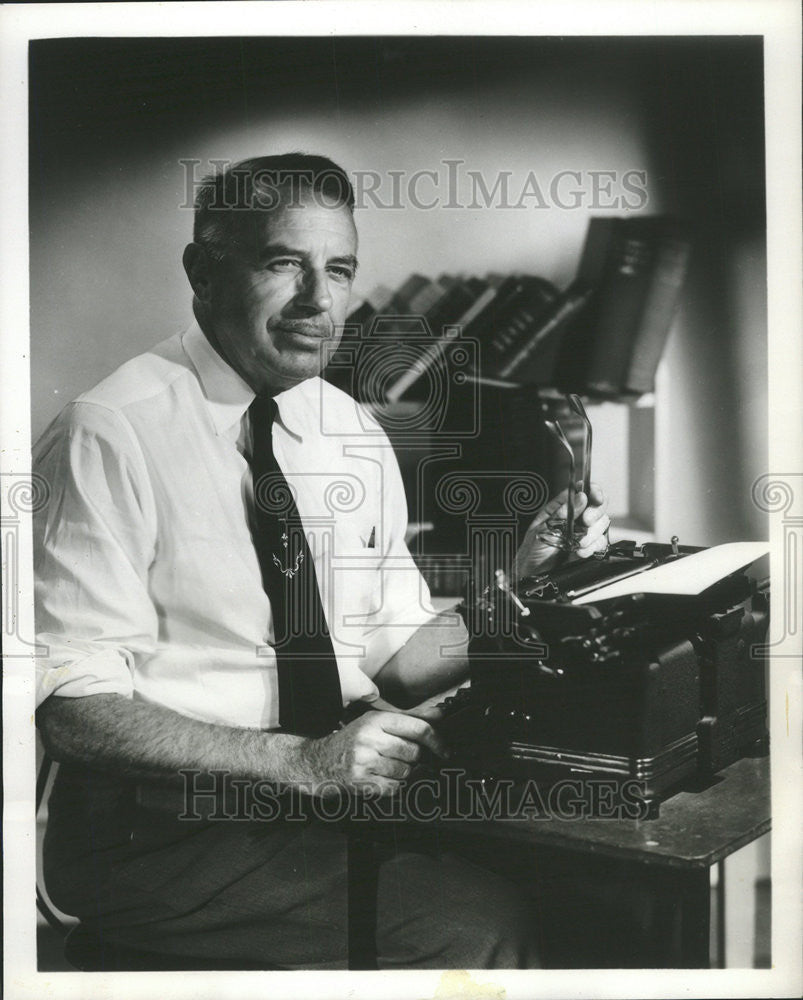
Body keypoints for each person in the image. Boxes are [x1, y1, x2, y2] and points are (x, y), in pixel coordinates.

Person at [34, 153, 610, 970]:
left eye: (338, 270)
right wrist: (298, 763)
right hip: (162, 834)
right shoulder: (108, 432)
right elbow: (72, 710)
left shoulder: (345, 426)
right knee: (474, 927)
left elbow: (399, 660)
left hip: (321, 800)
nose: (318, 301)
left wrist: (520, 584)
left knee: (583, 880)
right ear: (202, 270)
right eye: (283, 264)